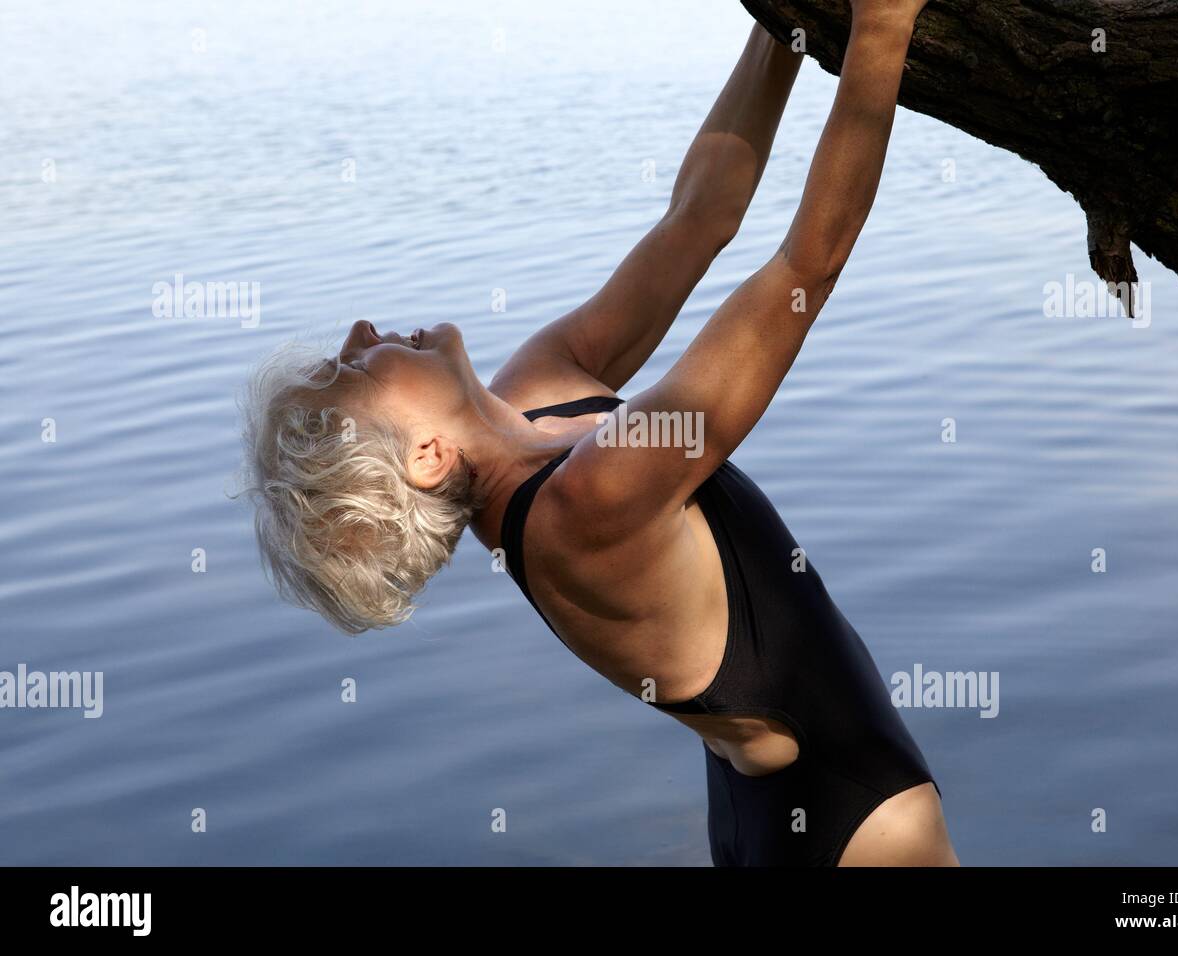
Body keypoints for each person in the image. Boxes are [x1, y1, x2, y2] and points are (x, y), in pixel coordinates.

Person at [242, 0, 958, 866]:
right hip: (850, 823)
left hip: (763, 801)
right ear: (426, 456)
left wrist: (783, 28)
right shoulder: (591, 502)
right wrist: (883, 25)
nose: (359, 330)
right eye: (353, 370)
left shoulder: (532, 393)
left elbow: (699, 216)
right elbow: (809, 263)